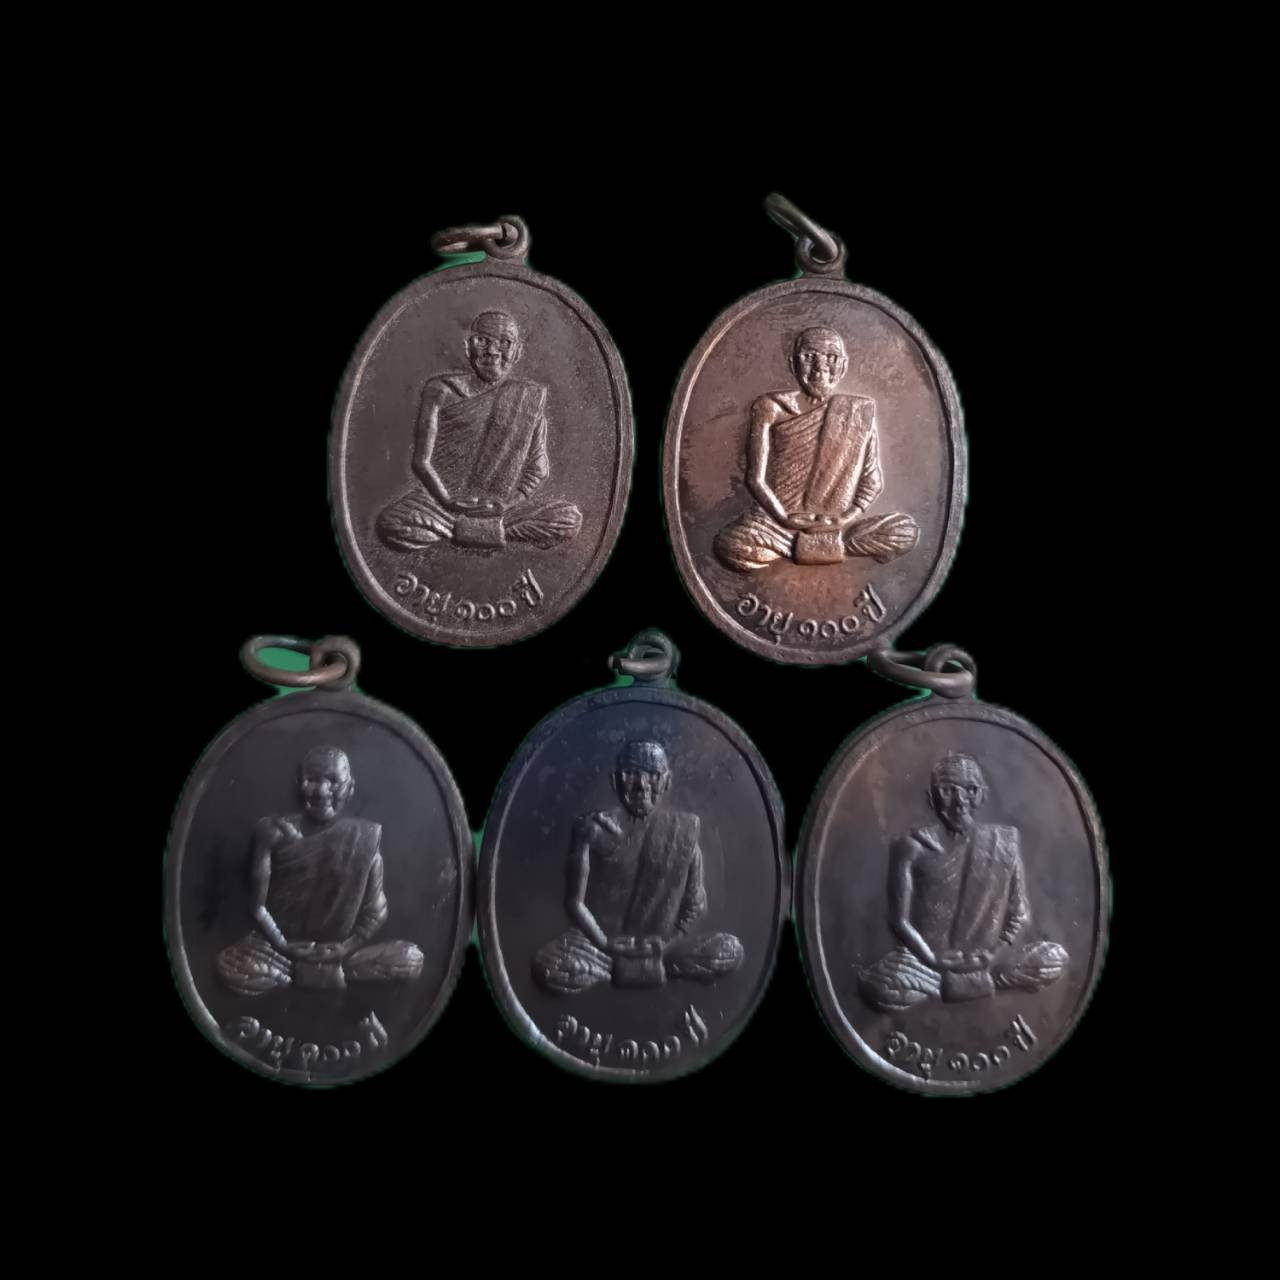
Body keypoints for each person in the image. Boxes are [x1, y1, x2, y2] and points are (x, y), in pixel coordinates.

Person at [859, 753, 1068, 1011]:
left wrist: (994, 953)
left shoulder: (1003, 843)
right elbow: (899, 921)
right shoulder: (912, 847)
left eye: (970, 790)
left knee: (1053, 959)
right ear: (931, 798)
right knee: (878, 985)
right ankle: (978, 983)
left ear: (982, 795)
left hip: (989, 961)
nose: (960, 802)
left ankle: (960, 984)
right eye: (948, 790)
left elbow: (1020, 914)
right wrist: (932, 958)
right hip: (927, 964)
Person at [533, 741, 743, 993]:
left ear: (666, 781)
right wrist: (605, 942)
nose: (642, 785)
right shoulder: (594, 829)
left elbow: (695, 907)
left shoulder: (683, 832)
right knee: (548, 965)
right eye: (631, 773)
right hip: (602, 948)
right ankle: (628, 969)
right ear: (615, 782)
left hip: (664, 950)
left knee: (729, 950)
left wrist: (666, 943)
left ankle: (639, 970)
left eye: (653, 775)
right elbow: (574, 903)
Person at [216, 746, 423, 994]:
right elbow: (258, 907)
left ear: (350, 787)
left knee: (410, 959)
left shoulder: (365, 837)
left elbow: (376, 912)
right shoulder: (272, 832)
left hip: (341, 954)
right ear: (298, 785)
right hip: (279, 950)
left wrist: (346, 947)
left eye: (333, 781)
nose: (322, 791)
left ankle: (303, 975)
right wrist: (282, 944)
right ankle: (324, 974)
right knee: (229, 964)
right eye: (312, 779)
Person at [714, 326, 919, 570]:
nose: (820, 368)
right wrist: (783, 518)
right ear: (793, 364)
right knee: (731, 543)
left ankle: (811, 547)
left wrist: (845, 518)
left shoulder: (858, 411)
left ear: (843, 365)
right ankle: (827, 548)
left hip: (835, 525)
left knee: (904, 532)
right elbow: (755, 479)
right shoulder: (771, 407)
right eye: (809, 357)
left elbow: (872, 480)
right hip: (777, 523)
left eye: (831, 357)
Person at [376, 310, 582, 552]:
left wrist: (508, 504)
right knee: (391, 522)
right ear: (468, 347)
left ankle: (467, 532)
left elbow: (538, 469)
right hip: (443, 506)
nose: (492, 351)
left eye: (504, 343)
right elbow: (421, 462)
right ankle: (486, 532)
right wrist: (448, 501)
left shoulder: (528, 399)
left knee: (569, 519)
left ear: (517, 352)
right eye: (482, 340)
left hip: (503, 511)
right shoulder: (441, 390)